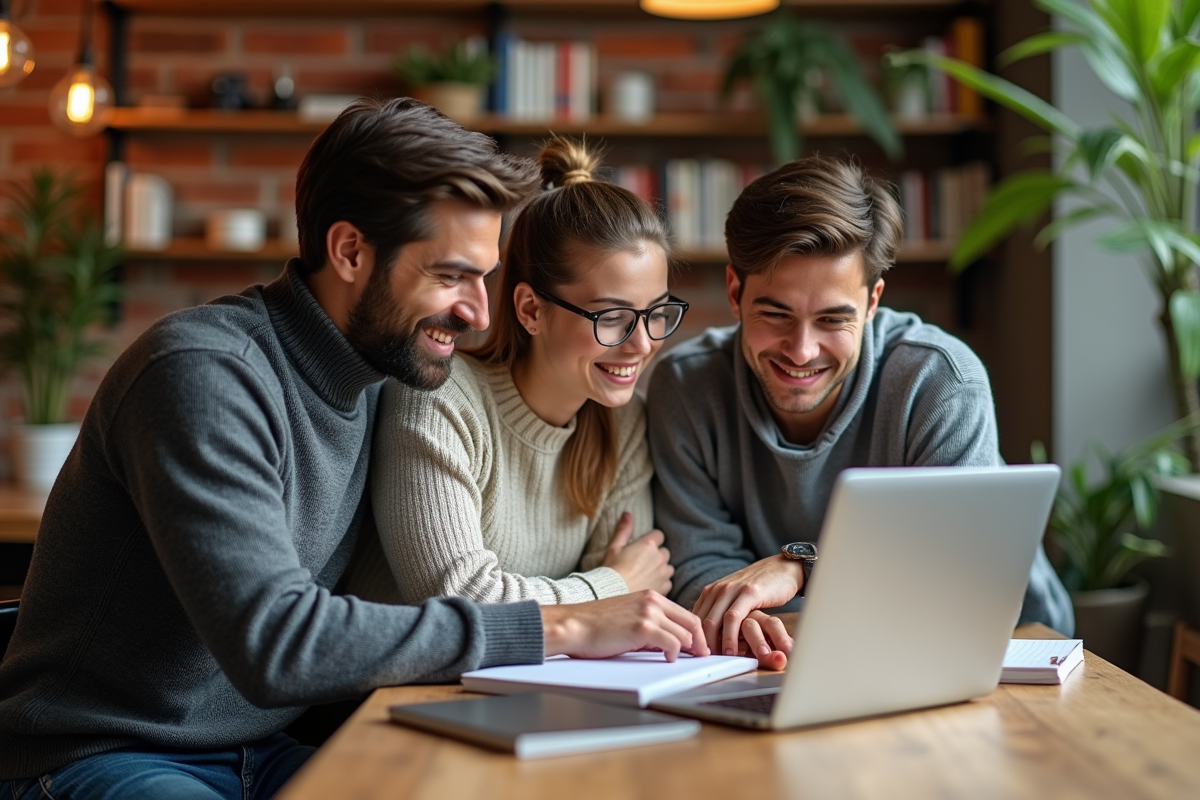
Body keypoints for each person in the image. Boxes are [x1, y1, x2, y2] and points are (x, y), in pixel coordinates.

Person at [0, 99, 707, 800]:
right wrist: (572, 620)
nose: (478, 313)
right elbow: (279, 644)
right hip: (105, 750)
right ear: (349, 251)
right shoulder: (204, 374)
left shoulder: (379, 377)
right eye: (450, 275)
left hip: (264, 749)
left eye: (484, 277)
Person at [646, 155, 1073, 667]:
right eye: (775, 314)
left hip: (1008, 646)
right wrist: (749, 624)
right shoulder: (686, 386)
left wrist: (801, 567)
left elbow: (954, 577)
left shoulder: (941, 383)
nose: (801, 351)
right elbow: (703, 573)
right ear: (736, 293)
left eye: (832, 319)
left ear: (872, 303)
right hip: (788, 653)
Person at [345, 138, 684, 608]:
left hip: (536, 680)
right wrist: (612, 585)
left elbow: (624, 616)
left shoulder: (622, 424)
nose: (643, 344)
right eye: (612, 317)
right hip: (402, 682)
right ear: (531, 310)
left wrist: (618, 592)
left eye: (658, 313)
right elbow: (462, 602)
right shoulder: (439, 399)